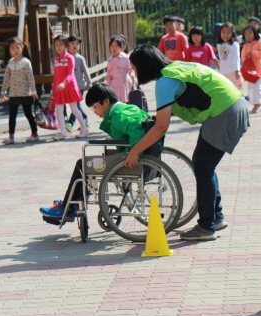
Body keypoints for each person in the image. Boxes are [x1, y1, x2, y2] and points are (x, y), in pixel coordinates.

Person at [126, 45, 250, 240]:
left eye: (134, 69)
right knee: (205, 165)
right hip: (234, 105)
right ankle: (215, 217)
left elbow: (161, 127)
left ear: (144, 66)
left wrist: (135, 151)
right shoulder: (176, 68)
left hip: (224, 111)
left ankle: (206, 227)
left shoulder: (165, 81)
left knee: (202, 166)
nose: (134, 73)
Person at [39, 83, 160, 222]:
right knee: (88, 165)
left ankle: (69, 207)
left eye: (94, 106)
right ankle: (72, 206)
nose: (94, 111)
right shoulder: (128, 108)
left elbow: (137, 134)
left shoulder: (118, 115)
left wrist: (134, 153)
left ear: (106, 101)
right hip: (136, 156)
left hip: (130, 161)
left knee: (83, 164)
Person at [1, 37, 39, 144]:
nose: (15, 50)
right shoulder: (10, 63)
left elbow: (30, 77)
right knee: (12, 115)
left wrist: (34, 91)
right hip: (13, 94)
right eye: (12, 48)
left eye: (17, 47)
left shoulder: (26, 62)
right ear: (9, 50)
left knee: (28, 114)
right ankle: (11, 136)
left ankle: (35, 134)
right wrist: (3, 91)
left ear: (22, 47)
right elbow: (6, 78)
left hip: (25, 93)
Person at [51, 35, 88, 140]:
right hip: (59, 89)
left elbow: (71, 74)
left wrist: (64, 83)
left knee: (74, 109)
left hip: (70, 87)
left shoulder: (70, 58)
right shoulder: (56, 59)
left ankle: (84, 128)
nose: (58, 47)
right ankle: (62, 132)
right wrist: (53, 89)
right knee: (59, 110)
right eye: (56, 45)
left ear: (66, 46)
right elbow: (56, 76)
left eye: (61, 45)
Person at [65, 35, 92, 132]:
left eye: (77, 44)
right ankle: (84, 120)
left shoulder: (80, 58)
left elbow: (86, 71)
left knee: (75, 105)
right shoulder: (66, 58)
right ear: (67, 45)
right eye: (72, 43)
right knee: (77, 106)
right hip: (69, 86)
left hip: (79, 86)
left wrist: (89, 83)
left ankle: (70, 122)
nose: (75, 45)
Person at [241, 25, 261, 114]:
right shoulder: (245, 46)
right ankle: (254, 103)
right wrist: (246, 60)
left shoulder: (259, 43)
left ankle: (258, 104)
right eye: (246, 34)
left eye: (250, 33)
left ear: (254, 33)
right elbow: (243, 57)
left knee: (256, 87)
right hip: (250, 71)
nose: (248, 36)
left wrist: (253, 53)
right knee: (251, 88)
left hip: (259, 69)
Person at [106, 35, 135, 103]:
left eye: (116, 46)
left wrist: (132, 75)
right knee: (115, 102)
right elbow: (108, 76)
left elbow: (131, 69)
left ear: (121, 47)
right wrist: (107, 87)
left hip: (124, 83)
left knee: (125, 102)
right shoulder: (110, 60)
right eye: (112, 46)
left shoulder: (125, 58)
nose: (114, 48)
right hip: (113, 84)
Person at [217, 22, 242, 89]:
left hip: (232, 72)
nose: (225, 35)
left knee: (234, 90)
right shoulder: (219, 45)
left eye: (228, 32)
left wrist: (237, 71)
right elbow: (221, 59)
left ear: (232, 34)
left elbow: (237, 58)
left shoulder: (234, 44)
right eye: (223, 32)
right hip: (223, 72)